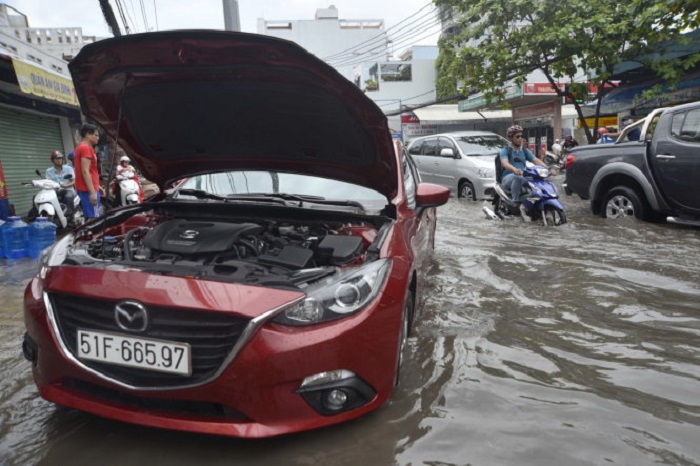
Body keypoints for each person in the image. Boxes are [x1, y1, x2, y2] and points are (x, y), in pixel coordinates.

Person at [500, 125, 547, 204]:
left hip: (523, 175)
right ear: (511, 138)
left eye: (522, 136)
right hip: (508, 178)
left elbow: (536, 160)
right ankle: (515, 201)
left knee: (538, 178)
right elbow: (505, 163)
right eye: (517, 136)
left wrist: (548, 169)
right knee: (517, 177)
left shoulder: (525, 150)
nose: (520, 138)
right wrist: (514, 169)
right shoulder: (505, 150)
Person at [74, 123, 104, 218]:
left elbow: (90, 170)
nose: (98, 138)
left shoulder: (81, 147)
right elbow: (85, 171)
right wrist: (92, 192)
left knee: (91, 217)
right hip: (88, 189)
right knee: (94, 218)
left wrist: (97, 185)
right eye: (96, 135)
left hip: (88, 187)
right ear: (87, 134)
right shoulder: (86, 148)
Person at [45, 151, 76, 216]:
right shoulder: (49, 171)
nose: (59, 160)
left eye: (60, 158)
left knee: (68, 197)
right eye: (56, 159)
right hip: (56, 191)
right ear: (52, 160)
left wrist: (67, 185)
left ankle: (70, 215)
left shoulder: (69, 169)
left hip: (68, 190)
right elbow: (48, 183)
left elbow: (74, 181)